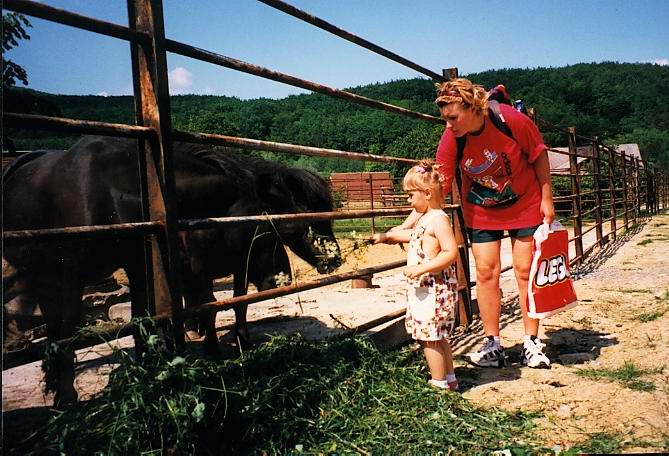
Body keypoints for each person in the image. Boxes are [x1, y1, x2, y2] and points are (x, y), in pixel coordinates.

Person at [433, 78, 556, 369]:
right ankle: (493, 344)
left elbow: (539, 156)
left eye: (453, 117)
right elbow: (442, 178)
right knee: (486, 272)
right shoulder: (453, 136)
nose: (448, 125)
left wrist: (547, 199)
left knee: (526, 270)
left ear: (473, 108)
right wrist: (427, 219)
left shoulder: (510, 120)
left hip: (525, 202)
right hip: (481, 209)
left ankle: (531, 342)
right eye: (445, 119)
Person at [372, 160, 460, 390]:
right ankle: (450, 380)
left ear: (427, 193)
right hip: (426, 289)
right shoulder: (425, 219)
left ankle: (438, 385)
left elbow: (451, 252)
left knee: (430, 339)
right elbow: (412, 235)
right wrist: (385, 237)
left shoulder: (439, 220)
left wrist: (421, 268)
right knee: (438, 337)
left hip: (433, 289)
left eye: (411, 195)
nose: (409, 201)